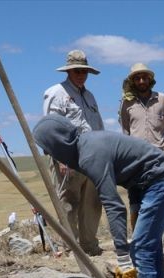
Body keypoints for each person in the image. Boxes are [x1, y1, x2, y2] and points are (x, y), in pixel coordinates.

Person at [33, 115, 164, 278]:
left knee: (140, 250)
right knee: (149, 249)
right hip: (146, 184)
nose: (47, 153)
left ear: (58, 142)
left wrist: (122, 254)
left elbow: (113, 205)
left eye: (47, 147)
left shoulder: (90, 154)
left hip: (161, 182)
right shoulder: (84, 147)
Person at [119, 63, 164, 262]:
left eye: (144, 77)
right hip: (135, 159)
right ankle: (140, 240)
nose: (141, 81)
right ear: (132, 81)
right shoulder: (127, 103)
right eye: (137, 78)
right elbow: (125, 132)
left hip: (159, 157)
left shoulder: (162, 99)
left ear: (150, 79)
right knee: (135, 201)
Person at [43, 50, 104, 256]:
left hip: (93, 155)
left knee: (92, 203)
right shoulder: (56, 93)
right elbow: (52, 127)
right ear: (68, 71)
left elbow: (98, 125)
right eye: (77, 70)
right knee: (69, 202)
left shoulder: (90, 96)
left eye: (84, 70)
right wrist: (61, 157)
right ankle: (69, 247)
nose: (81, 74)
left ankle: (89, 245)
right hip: (69, 156)